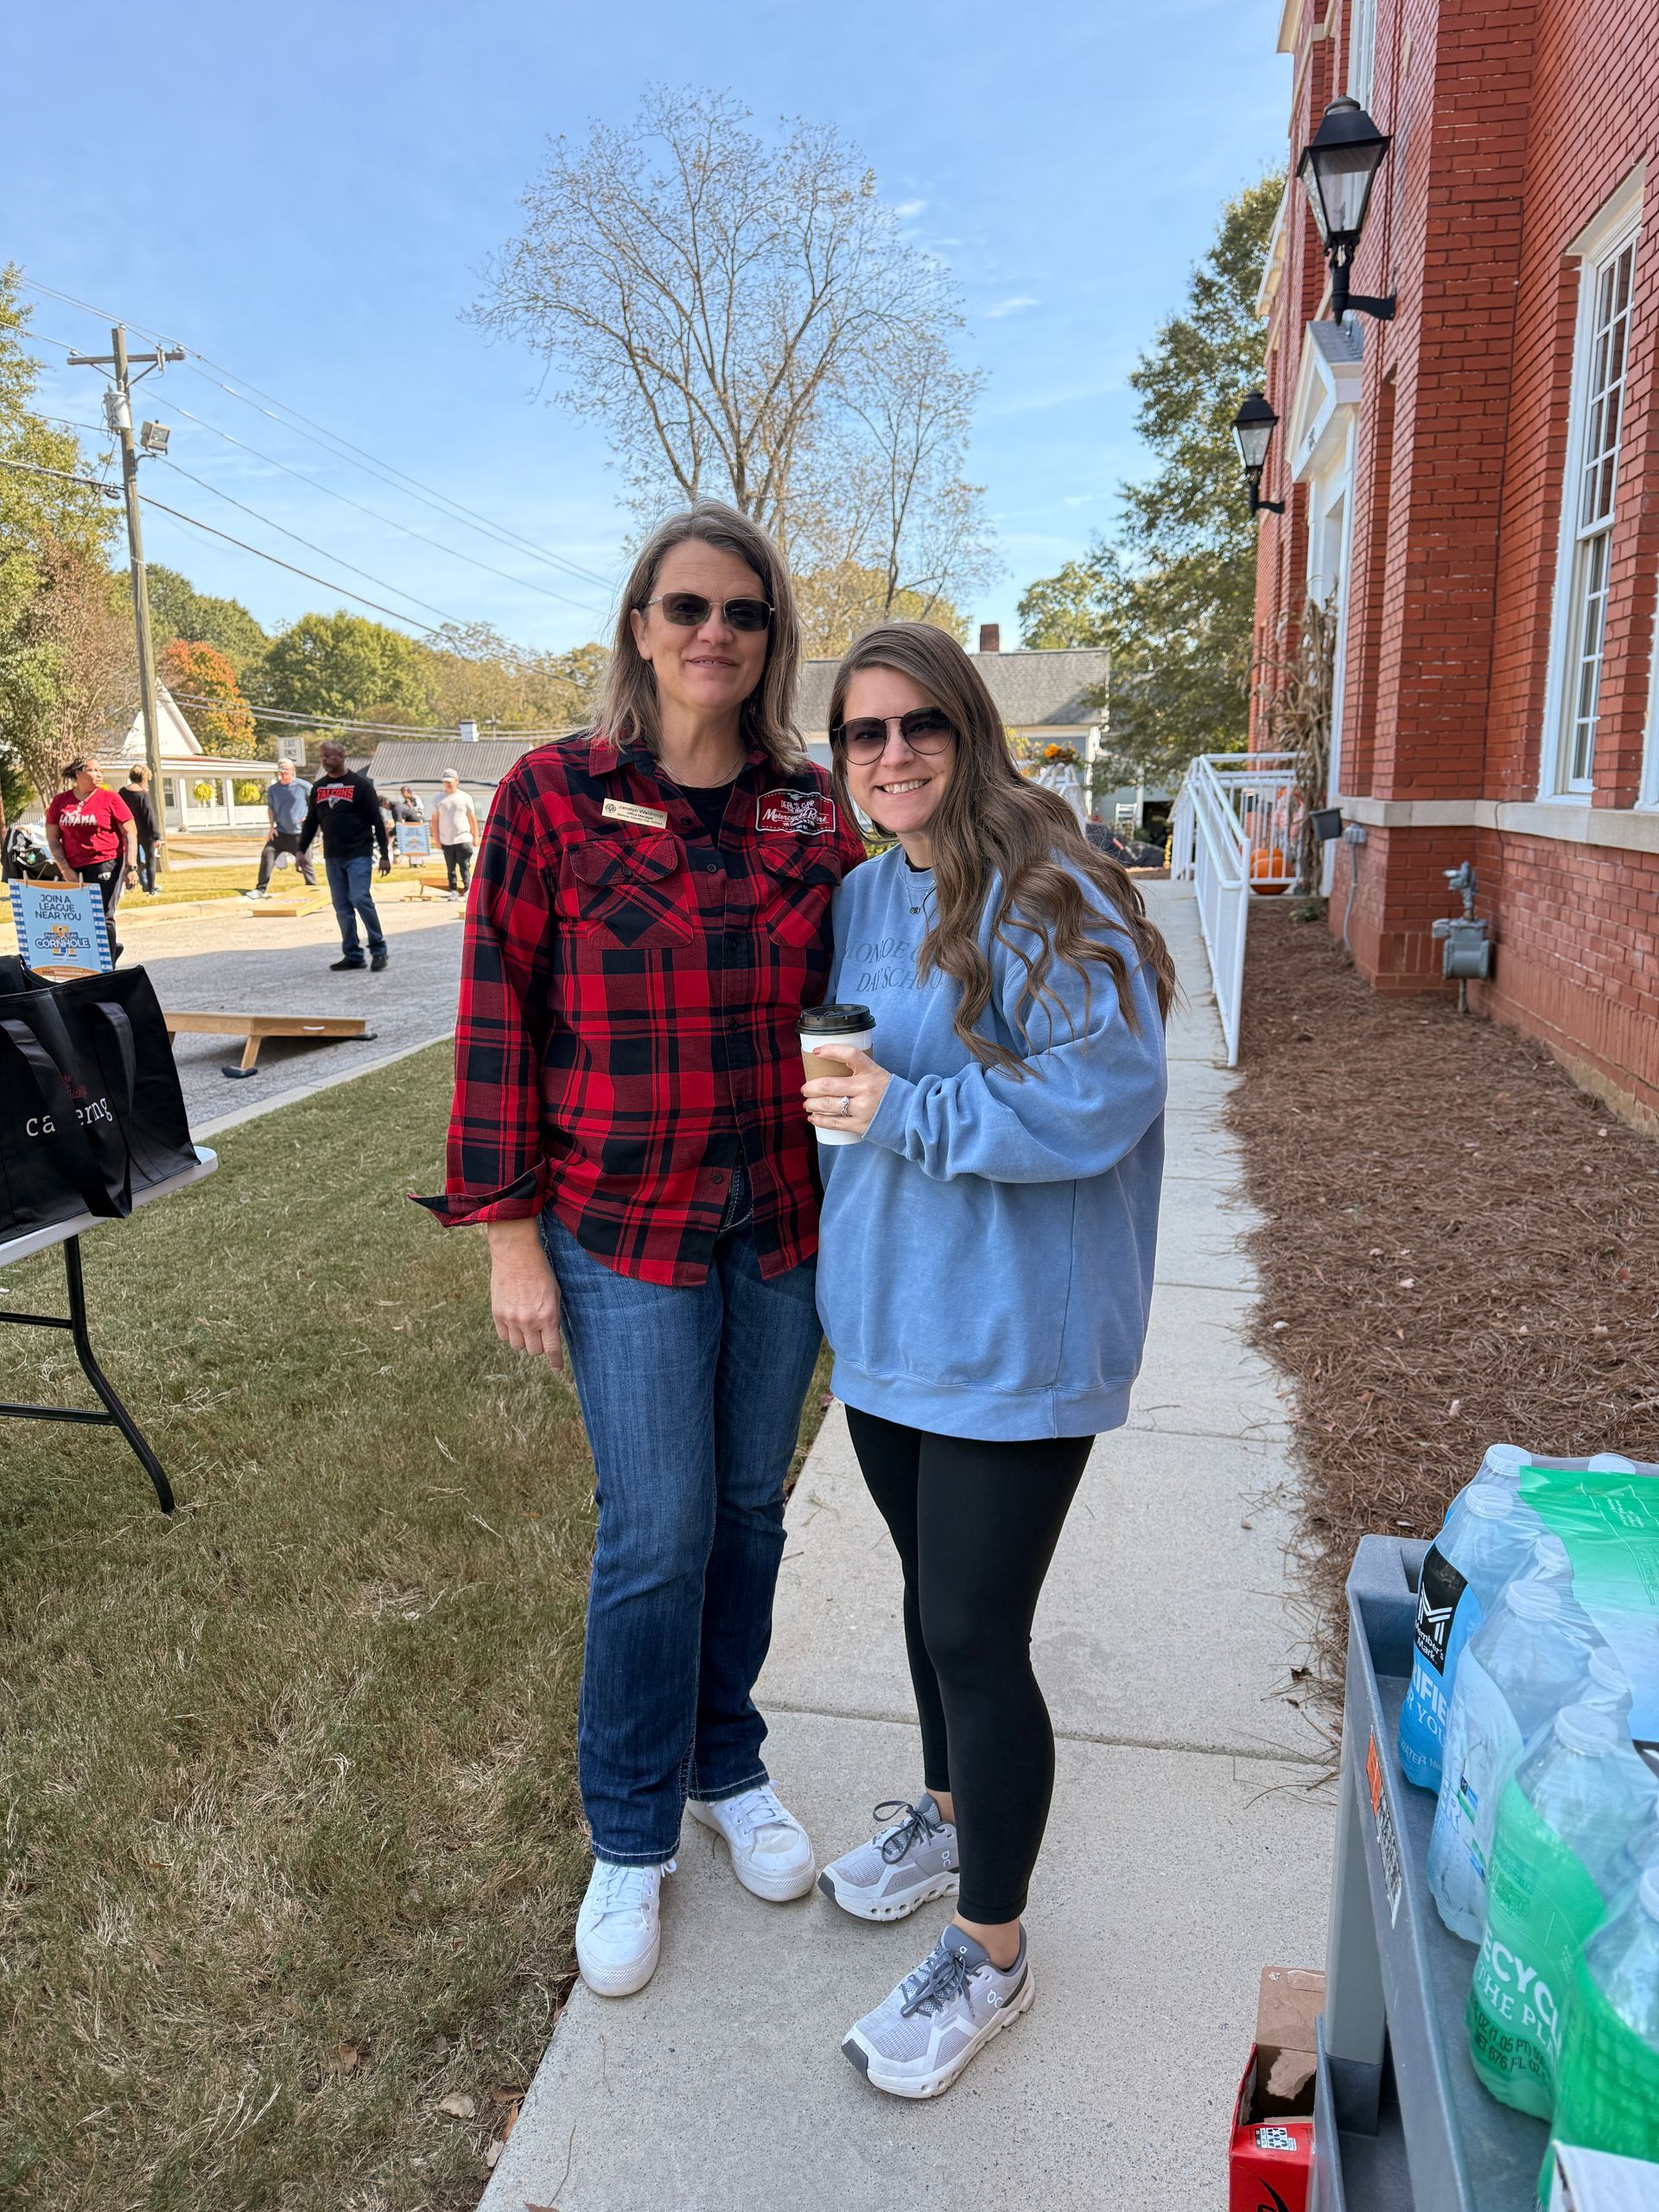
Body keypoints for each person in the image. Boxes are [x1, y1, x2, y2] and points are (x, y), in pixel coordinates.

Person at [423, 503, 865, 2000]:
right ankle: (629, 1829)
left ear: (770, 638)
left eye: (743, 612)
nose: (714, 634)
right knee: (658, 1526)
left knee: (749, 1510)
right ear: (640, 625)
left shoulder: (810, 812)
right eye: (687, 608)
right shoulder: (553, 795)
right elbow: (498, 1016)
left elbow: (872, 984)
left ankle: (723, 1760)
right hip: (623, 1228)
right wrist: (508, 1236)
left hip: (781, 1222)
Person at [803, 624, 1175, 2101]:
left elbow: (1102, 1095)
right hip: (889, 1320)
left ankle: (992, 1950)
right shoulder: (860, 894)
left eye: (921, 726)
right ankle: (950, 1813)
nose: (892, 754)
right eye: (864, 732)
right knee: (928, 1598)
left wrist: (905, 1111)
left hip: (1015, 1331)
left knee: (974, 1630)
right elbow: (850, 1092)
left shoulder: (1049, 885)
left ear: (971, 730)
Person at [298, 741, 391, 970]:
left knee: (360, 898)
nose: (324, 760)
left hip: (359, 852)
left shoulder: (360, 785)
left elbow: (377, 821)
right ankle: (353, 954)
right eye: (322, 756)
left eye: (329, 756)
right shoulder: (319, 788)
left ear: (341, 756)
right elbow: (311, 822)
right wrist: (301, 850)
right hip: (333, 855)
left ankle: (378, 949)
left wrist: (384, 855)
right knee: (341, 906)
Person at [44, 756, 138, 961]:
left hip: (107, 862)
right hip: (74, 866)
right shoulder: (60, 802)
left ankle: (107, 964)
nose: (98, 774)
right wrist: (65, 869)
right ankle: (96, 958)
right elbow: (52, 838)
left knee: (103, 915)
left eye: (100, 771)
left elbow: (130, 832)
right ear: (78, 773)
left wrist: (131, 866)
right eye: (93, 770)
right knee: (81, 916)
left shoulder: (110, 798)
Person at [245, 758, 316, 898]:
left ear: (292, 771)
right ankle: (261, 889)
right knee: (267, 855)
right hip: (280, 833)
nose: (283, 772)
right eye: (280, 770)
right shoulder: (273, 790)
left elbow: (316, 804)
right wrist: (271, 827)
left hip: (300, 835)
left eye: (286, 770)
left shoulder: (304, 787)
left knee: (305, 863)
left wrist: (309, 817)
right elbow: (271, 809)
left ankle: (313, 891)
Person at [429, 770, 479, 894]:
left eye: (450, 782)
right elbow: (434, 820)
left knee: (465, 865)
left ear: (457, 781)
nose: (448, 784)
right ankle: (453, 891)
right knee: (450, 866)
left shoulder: (465, 797)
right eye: (446, 782)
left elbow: (472, 817)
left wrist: (475, 836)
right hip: (446, 838)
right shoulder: (437, 799)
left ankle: (468, 890)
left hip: (463, 837)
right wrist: (436, 838)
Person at [124, 766, 161, 894]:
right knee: (150, 861)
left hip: (129, 832)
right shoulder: (142, 794)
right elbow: (149, 816)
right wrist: (157, 836)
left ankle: (132, 885)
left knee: (135, 861)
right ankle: (151, 889)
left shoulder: (122, 792)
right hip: (146, 833)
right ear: (144, 778)